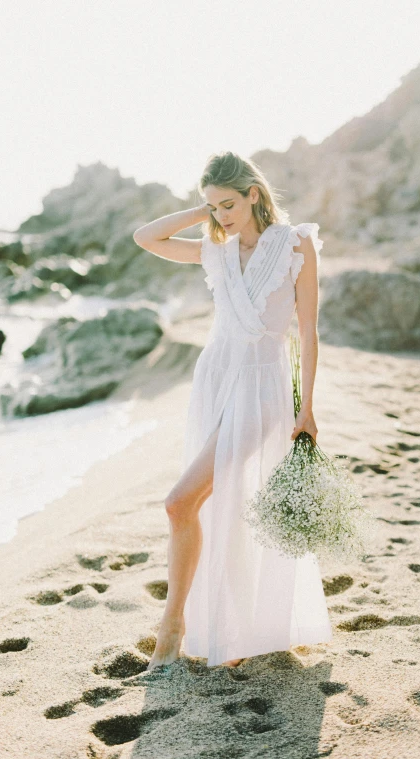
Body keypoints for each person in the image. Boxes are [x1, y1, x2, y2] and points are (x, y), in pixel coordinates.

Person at [133, 151, 332, 670]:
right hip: (215, 378)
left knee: (180, 503)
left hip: (262, 388)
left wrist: (306, 408)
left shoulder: (296, 244)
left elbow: (308, 332)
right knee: (217, 505)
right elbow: (146, 238)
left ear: (254, 195)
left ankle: (171, 628)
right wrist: (203, 215)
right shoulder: (213, 251)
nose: (222, 215)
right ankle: (217, 626)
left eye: (229, 204)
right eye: (212, 207)